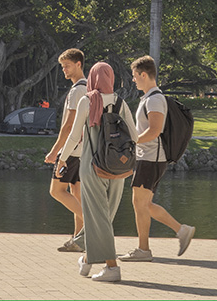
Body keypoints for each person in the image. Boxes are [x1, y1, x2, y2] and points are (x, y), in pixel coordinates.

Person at [119, 56, 195, 263]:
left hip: (150, 158)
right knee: (144, 203)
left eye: (135, 76)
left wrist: (132, 143)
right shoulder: (149, 98)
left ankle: (144, 249)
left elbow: (154, 130)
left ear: (144, 74)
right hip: (148, 158)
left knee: (139, 203)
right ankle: (181, 230)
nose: (133, 80)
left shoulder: (154, 100)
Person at [73, 62, 134, 282]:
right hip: (118, 167)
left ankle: (112, 268)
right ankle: (88, 259)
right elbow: (134, 136)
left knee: (97, 217)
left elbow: (74, 135)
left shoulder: (87, 100)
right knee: (105, 217)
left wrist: (62, 159)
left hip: (93, 166)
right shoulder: (120, 102)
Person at [44, 48, 88, 252]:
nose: (64, 70)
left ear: (79, 64)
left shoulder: (78, 90)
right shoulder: (89, 88)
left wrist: (55, 151)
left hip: (71, 152)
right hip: (84, 152)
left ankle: (91, 226)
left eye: (67, 66)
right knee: (76, 194)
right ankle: (78, 240)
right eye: (62, 66)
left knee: (56, 191)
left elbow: (69, 124)